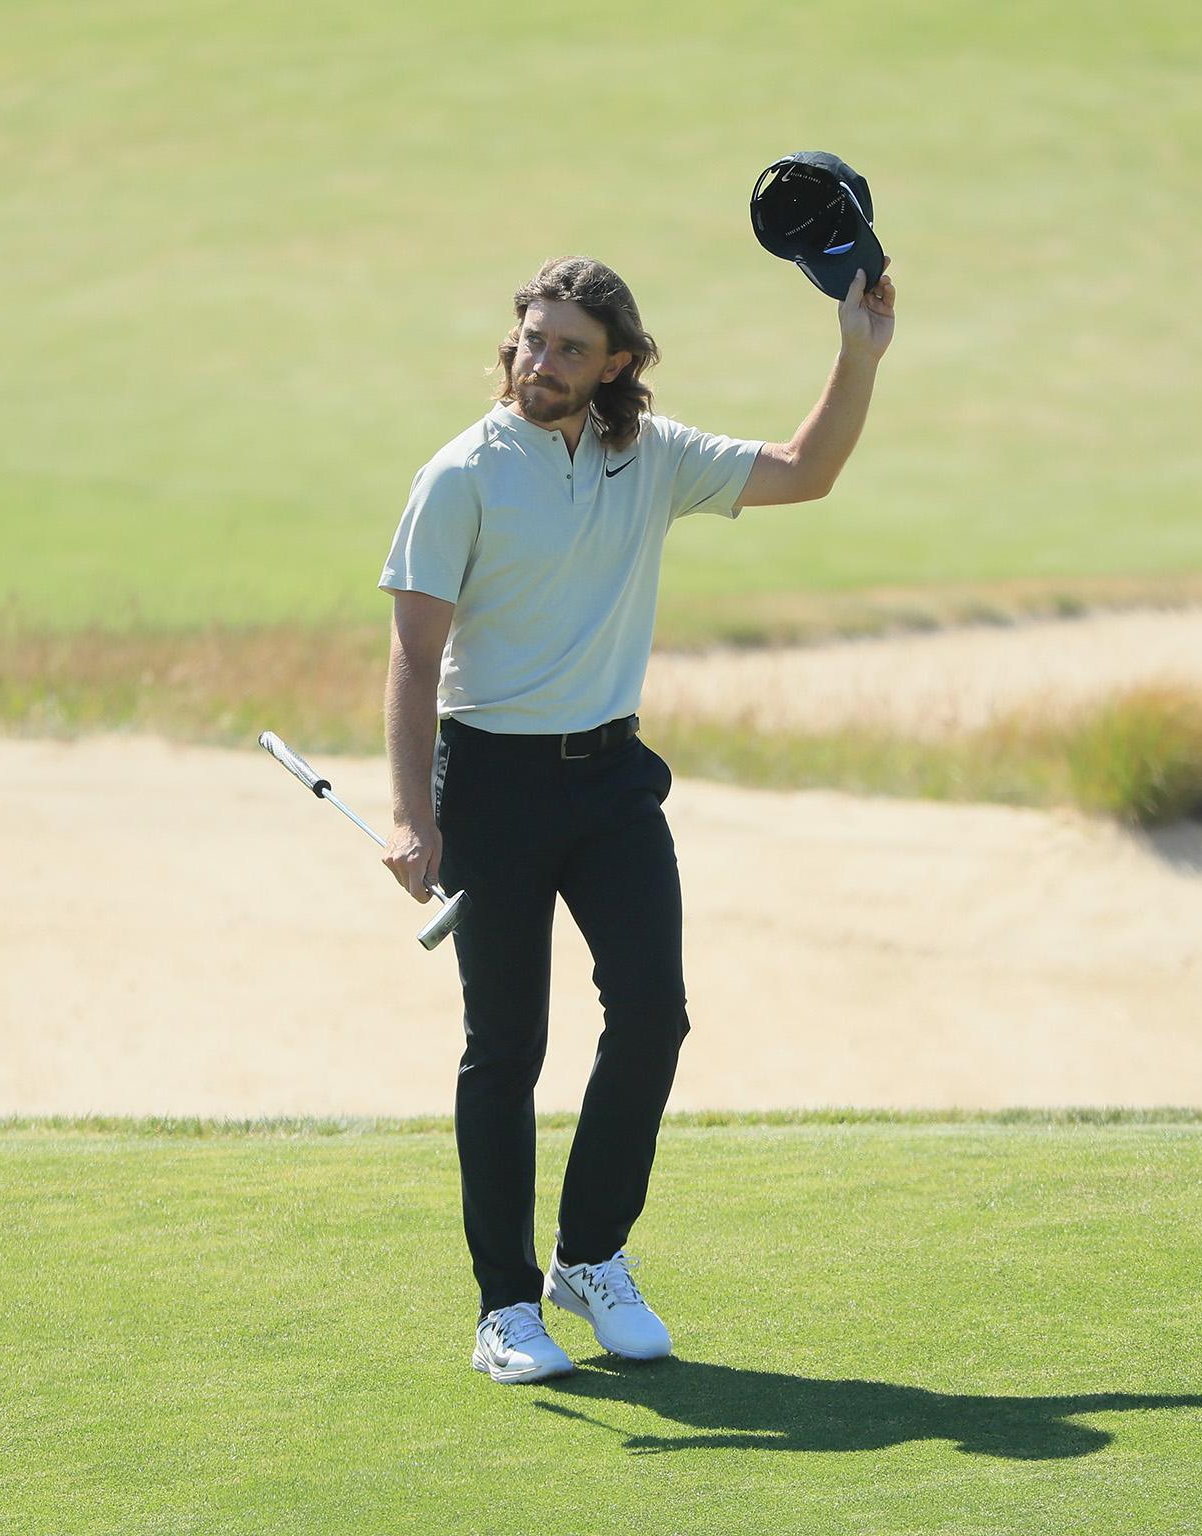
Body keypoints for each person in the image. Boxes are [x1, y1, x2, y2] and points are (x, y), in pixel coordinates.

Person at [378, 254, 895, 1383]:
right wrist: (415, 818)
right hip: (494, 788)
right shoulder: (460, 474)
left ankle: (591, 1257)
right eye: (529, 340)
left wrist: (855, 354)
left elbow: (805, 471)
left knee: (653, 1016)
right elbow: (414, 664)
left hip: (611, 781)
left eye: (568, 347)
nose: (540, 363)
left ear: (616, 363)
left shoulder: (647, 457)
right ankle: (505, 1307)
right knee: (505, 1049)